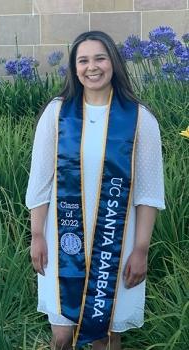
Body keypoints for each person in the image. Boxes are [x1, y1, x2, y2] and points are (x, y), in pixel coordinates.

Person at [26, 31, 165, 350]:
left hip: (117, 242)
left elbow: (148, 192)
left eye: (100, 58)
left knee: (107, 335)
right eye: (83, 60)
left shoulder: (139, 118)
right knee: (62, 334)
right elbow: (41, 181)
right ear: (74, 68)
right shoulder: (57, 113)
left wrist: (140, 249)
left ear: (113, 63)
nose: (92, 67)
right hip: (62, 241)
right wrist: (36, 235)